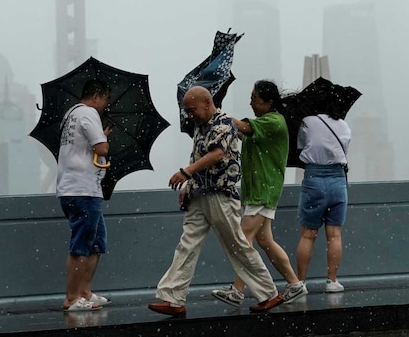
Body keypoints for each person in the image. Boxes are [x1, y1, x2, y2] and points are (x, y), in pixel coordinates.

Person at [148, 86, 285, 316]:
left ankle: (269, 293)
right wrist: (189, 185)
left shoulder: (223, 123)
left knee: (237, 245)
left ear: (207, 103)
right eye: (187, 111)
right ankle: (173, 298)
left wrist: (186, 172)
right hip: (199, 195)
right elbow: (198, 156)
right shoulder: (200, 127)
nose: (190, 115)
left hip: (220, 194)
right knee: (187, 244)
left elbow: (217, 154)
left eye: (193, 110)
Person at [211, 80, 308, 307]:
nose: (251, 102)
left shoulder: (274, 121)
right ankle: (294, 284)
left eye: (255, 98)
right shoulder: (264, 123)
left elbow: (243, 128)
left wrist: (216, 112)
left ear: (269, 102)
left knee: (243, 238)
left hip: (264, 190)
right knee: (265, 240)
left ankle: (238, 289)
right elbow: (243, 131)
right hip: (258, 191)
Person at [57, 78, 113, 312]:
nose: (104, 106)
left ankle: (84, 292)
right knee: (81, 245)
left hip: (79, 188)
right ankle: (71, 298)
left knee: (96, 243)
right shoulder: (89, 113)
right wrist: (104, 138)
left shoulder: (70, 114)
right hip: (82, 190)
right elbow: (101, 148)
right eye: (105, 100)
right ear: (97, 96)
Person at [294, 97, 351, 293]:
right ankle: (332, 281)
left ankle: (300, 283)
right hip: (338, 180)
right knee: (334, 235)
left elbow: (301, 146)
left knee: (308, 234)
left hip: (314, 178)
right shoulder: (344, 125)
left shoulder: (307, 122)